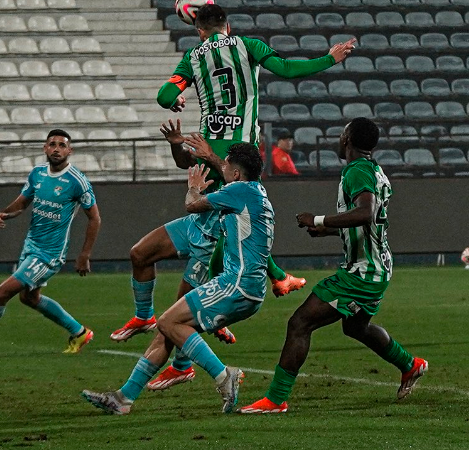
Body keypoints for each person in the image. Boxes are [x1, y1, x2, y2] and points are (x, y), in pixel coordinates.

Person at [109, 2, 354, 345]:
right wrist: (330, 58)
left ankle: (184, 341)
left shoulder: (193, 57)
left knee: (215, 243)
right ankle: (270, 283)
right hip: (240, 160)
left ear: (199, 30)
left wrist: (174, 102)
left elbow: (165, 94)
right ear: (229, 25)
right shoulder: (247, 45)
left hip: (208, 160)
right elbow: (286, 69)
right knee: (230, 230)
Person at [239, 117, 428, 414]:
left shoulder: (357, 171)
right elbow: (368, 221)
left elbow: (365, 214)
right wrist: (327, 230)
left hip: (361, 273)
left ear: (348, 139)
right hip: (377, 266)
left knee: (300, 323)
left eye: (342, 133)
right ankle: (410, 364)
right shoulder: (374, 170)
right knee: (355, 327)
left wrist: (318, 220)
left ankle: (275, 399)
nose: (339, 139)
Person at [82, 143, 274, 415]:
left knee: (167, 321)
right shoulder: (259, 195)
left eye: (226, 166)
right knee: (169, 330)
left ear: (236, 174)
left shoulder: (237, 190)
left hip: (236, 285)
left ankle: (223, 376)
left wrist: (193, 186)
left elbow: (192, 205)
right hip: (248, 288)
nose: (224, 170)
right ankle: (123, 399)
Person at [0, 130, 100, 354]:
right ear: (45, 148)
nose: (56, 149)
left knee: (1, 293)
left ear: (69, 151)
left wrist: (85, 254)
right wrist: (4, 214)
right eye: (52, 144)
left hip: (49, 253)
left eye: (62, 145)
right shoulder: (37, 174)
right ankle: (80, 333)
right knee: (29, 298)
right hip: (31, 246)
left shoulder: (77, 181)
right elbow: (23, 202)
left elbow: (95, 218)